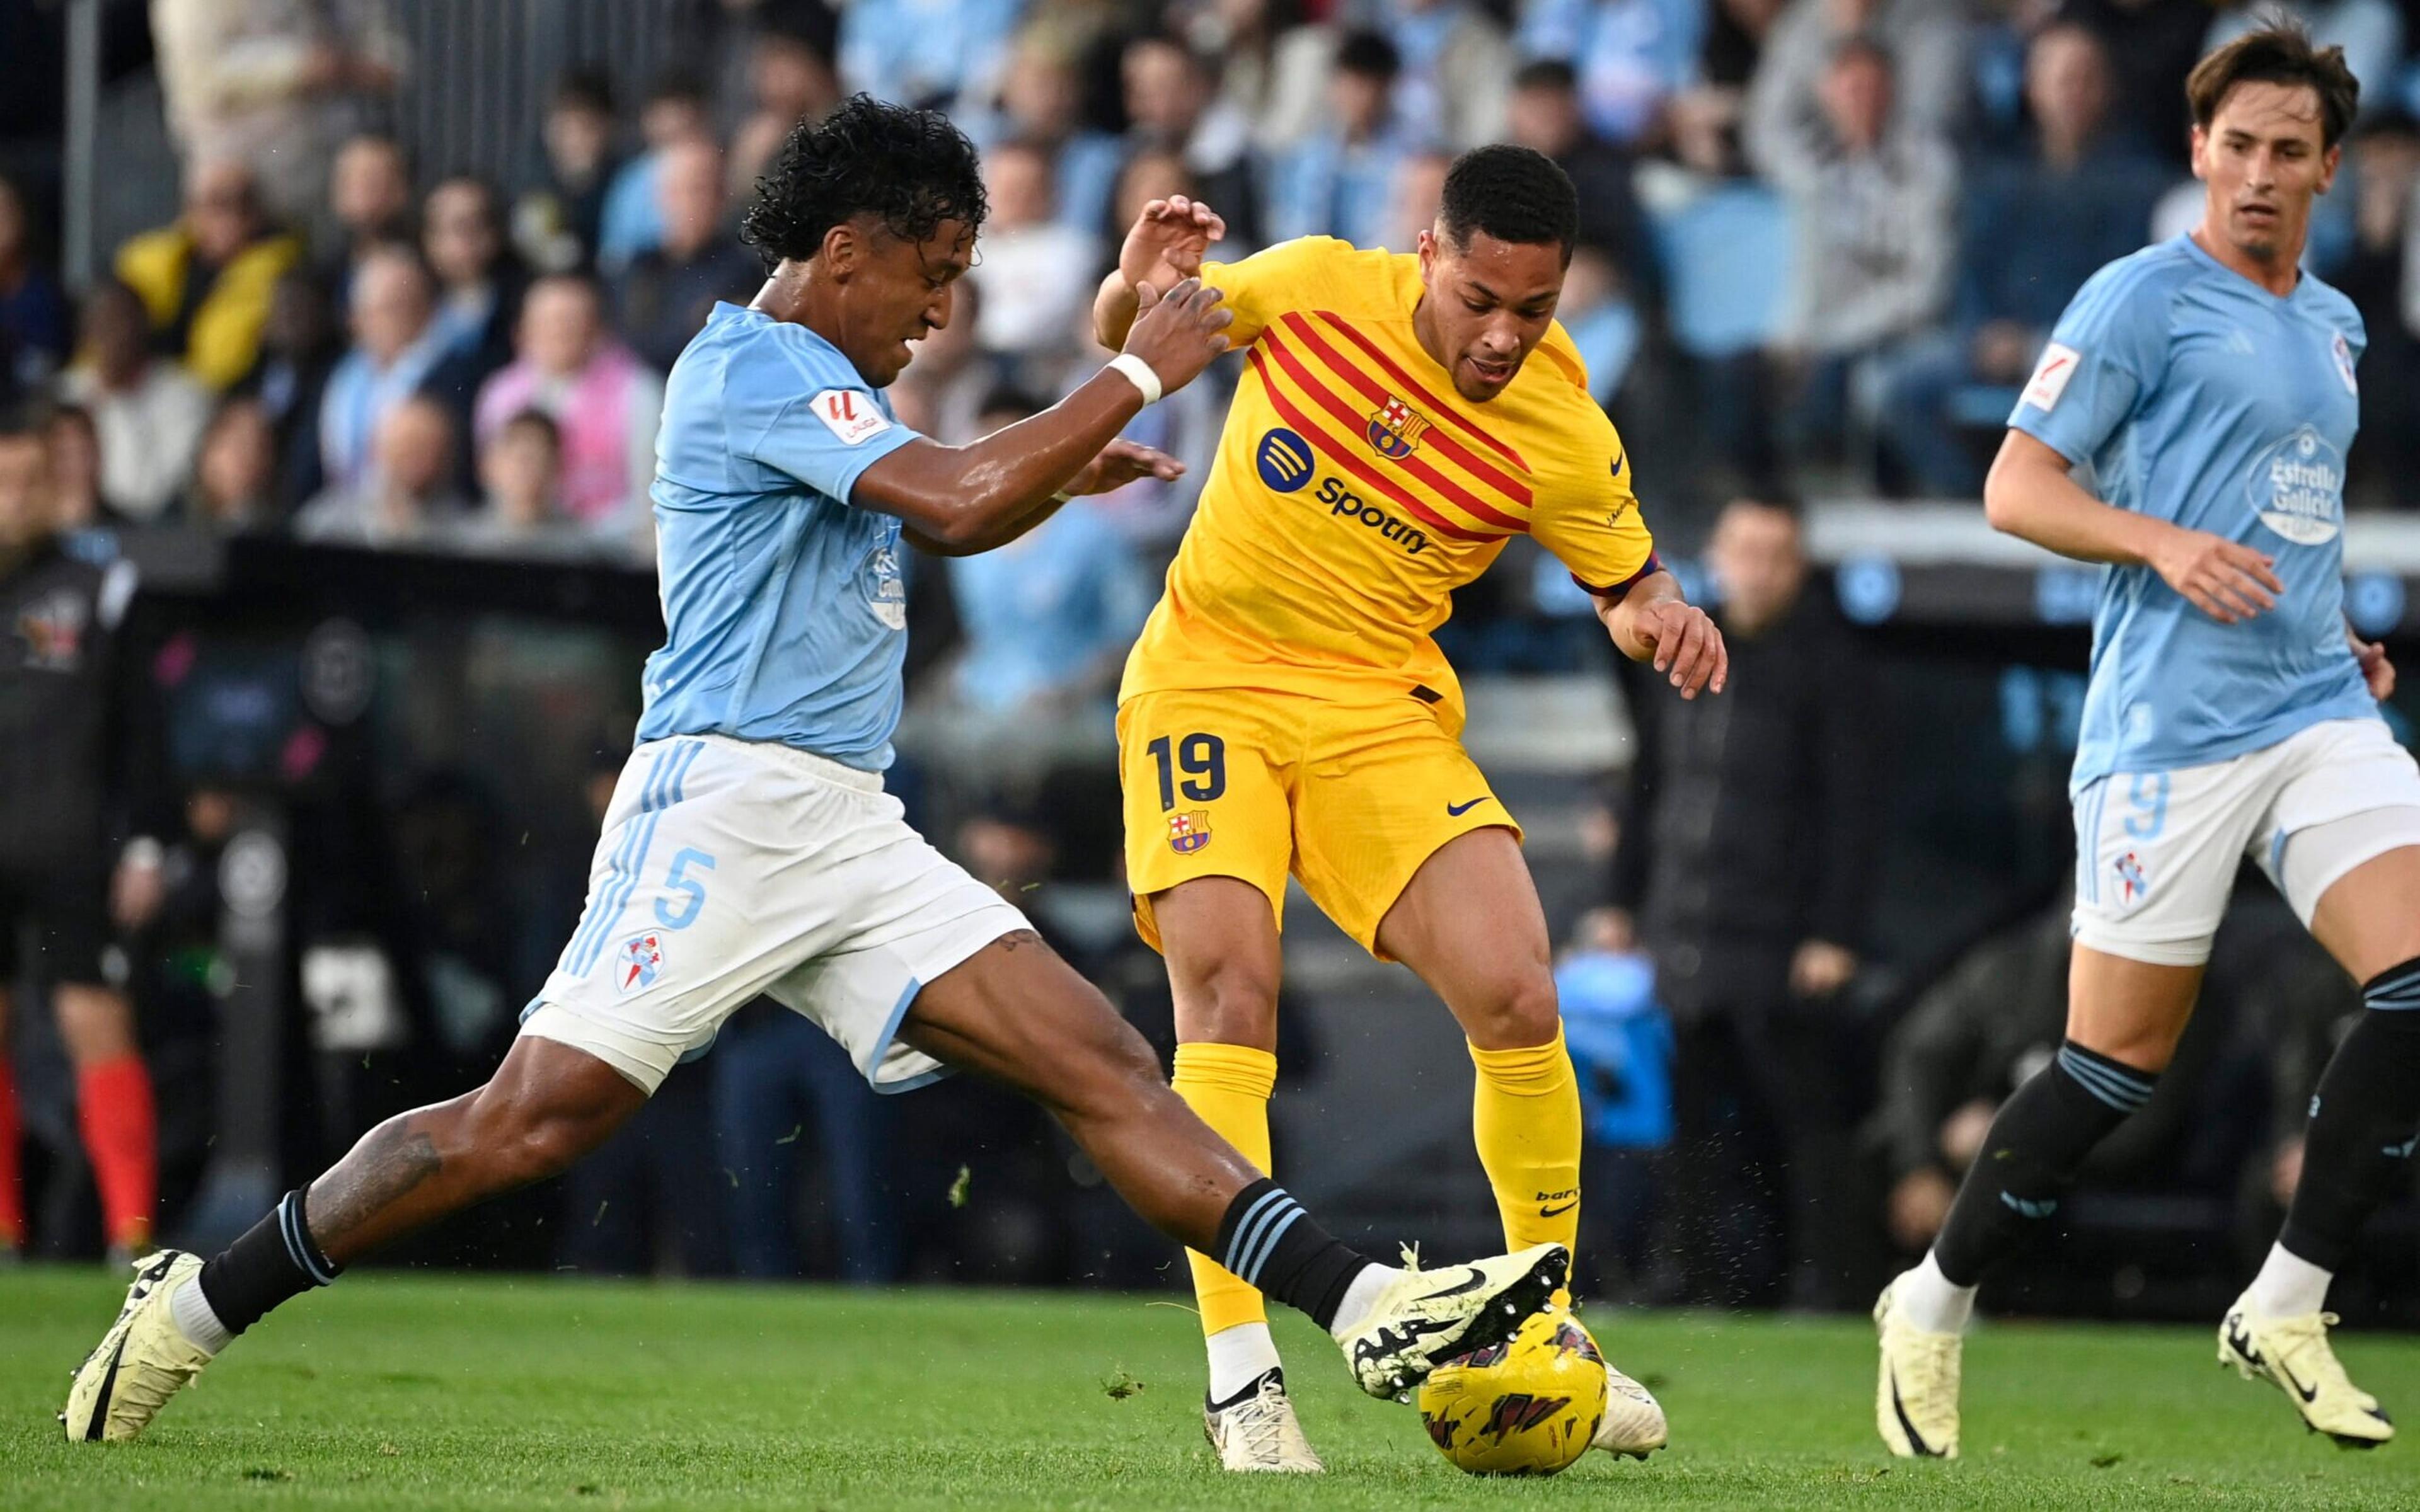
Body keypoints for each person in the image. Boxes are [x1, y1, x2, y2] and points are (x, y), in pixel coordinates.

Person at [64, 96, 1567, 1446]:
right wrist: (1126, 374)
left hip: (846, 822)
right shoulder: (747, 370)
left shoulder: (817, 380)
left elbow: (963, 511)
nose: (939, 309)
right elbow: (961, 485)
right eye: (932, 273)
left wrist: (1060, 458)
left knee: (1100, 1061)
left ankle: (1364, 1300)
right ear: (847, 251)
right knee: (526, 1119)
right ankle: (200, 1298)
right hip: (717, 804)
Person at [1088, 146, 1723, 1472]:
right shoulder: (1317, 287)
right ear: (1429, 254)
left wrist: (1658, 614)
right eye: (1481, 298)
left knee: (1520, 996)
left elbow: (1629, 579)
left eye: (1533, 310)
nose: (1502, 336)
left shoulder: (1560, 424)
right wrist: (1130, 290)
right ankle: (1243, 1378)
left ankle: (1550, 1330)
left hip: (1377, 708)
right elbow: (1142, 329)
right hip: (1208, 677)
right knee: (1228, 992)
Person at [1874, 25, 2420, 1458]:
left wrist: (2335, 624)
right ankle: (1929, 1300)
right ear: (2194, 153)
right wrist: (2157, 541)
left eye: (2283, 151)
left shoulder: (2335, 322)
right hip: (2165, 731)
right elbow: (2013, 482)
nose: (2254, 173)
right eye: (2231, 145)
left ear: (2322, 167)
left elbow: (2284, 507)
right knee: (2109, 1069)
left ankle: (2287, 1296)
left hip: (2311, 707)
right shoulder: (2135, 297)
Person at [1607, 491, 1876, 1309]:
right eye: (1742, 552)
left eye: (1773, 555)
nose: (1755, 572)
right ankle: (1685, 1271)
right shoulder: (1683, 646)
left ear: (1798, 567)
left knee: (1801, 1115)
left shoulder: (1835, 665)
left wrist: (1835, 929)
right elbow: (1648, 780)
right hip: (1690, 920)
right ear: (1714, 556)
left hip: (1782, 931)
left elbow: (1854, 810)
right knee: (1687, 1116)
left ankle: (1824, 1277)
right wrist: (1624, 898)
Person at [0, 406, 158, 1261]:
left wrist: (145, 843)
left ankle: (130, 1233)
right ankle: (4, 1231)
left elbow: (143, 730)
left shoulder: (98, 589)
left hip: (69, 841)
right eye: (7, 482)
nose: (18, 500)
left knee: (95, 1019)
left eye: (33, 482)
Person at [476, 275, 664, 529]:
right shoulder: (499, 395)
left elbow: (648, 501)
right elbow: (494, 491)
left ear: (598, 329)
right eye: (548, 322)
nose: (560, 332)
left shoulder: (640, 393)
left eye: (572, 322)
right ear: (523, 331)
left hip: (606, 551)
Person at [113, 160, 302, 394]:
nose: (232, 215)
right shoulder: (147, 261)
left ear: (260, 213)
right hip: (134, 392)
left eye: (244, 202)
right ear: (190, 210)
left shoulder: (277, 271)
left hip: (216, 399)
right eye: (218, 203)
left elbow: (222, 365)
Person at [59, 280, 214, 523]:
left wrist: (119, 400)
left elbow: (149, 496)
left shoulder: (186, 397)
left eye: (120, 322)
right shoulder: (65, 395)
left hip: (155, 532)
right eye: (100, 324)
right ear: (85, 333)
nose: (112, 336)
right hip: (73, 530)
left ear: (144, 326)